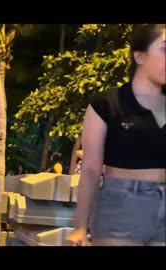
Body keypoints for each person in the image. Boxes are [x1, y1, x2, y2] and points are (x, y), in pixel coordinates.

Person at [67, 24, 165, 246]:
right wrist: (80, 226)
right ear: (140, 56)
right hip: (122, 206)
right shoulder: (107, 104)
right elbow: (91, 169)